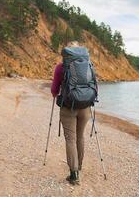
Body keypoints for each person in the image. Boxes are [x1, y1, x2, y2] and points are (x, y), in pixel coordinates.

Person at [51, 41, 96, 185]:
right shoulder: (89, 64)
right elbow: (95, 85)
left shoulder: (61, 66)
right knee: (80, 136)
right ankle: (80, 165)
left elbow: (54, 88)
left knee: (70, 138)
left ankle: (74, 174)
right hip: (85, 107)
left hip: (68, 107)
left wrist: (55, 94)